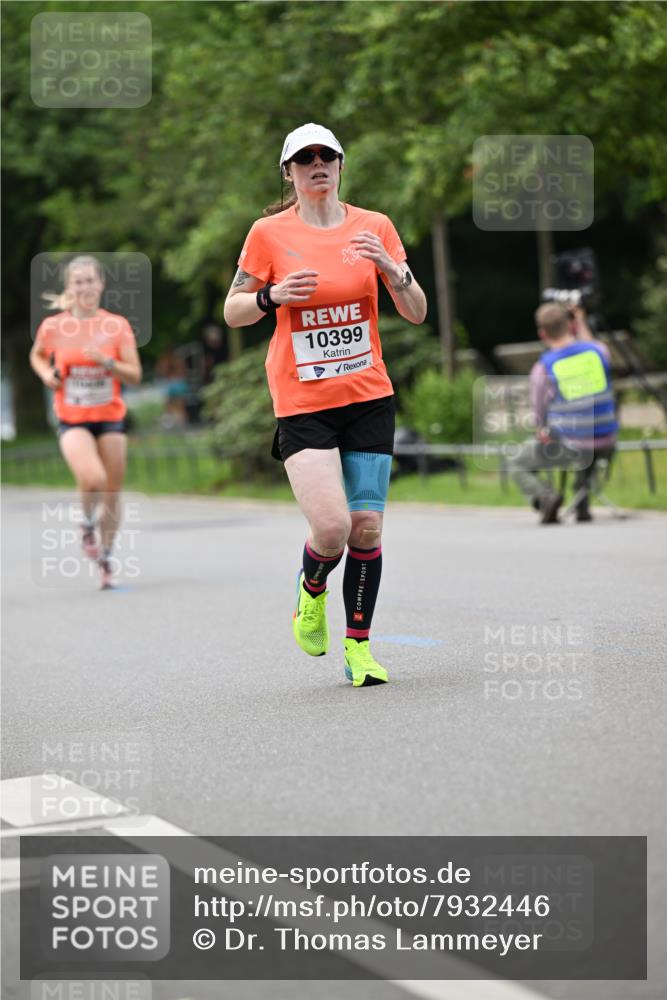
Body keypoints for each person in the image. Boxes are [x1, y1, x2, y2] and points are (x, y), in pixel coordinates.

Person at [224, 123, 427, 687]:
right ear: (288, 172)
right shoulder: (268, 233)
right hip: (303, 401)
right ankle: (311, 588)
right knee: (334, 527)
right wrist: (271, 296)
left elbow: (416, 311)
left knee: (367, 528)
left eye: (327, 156)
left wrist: (393, 270)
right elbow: (233, 310)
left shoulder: (374, 226)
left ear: (340, 165)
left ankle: (358, 648)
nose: (318, 165)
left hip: (368, 397)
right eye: (305, 158)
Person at [30, 255, 142, 588]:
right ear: (69, 287)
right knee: (93, 478)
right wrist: (46, 374)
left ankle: (105, 557)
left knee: (112, 491)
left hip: (110, 416)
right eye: (78, 282)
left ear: (101, 284)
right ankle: (85, 522)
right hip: (72, 417)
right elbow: (37, 355)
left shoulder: (116, 325)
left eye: (90, 280)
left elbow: (135, 375)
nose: (85, 287)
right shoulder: (54, 327)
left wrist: (108, 362)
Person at [509, 302, 618, 524]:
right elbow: (591, 344)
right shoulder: (599, 352)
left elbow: (538, 415)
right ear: (570, 325)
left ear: (542, 333)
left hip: (573, 448)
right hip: (608, 443)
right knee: (584, 437)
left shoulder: (544, 367)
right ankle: (582, 504)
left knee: (517, 462)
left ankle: (545, 497)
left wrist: (542, 431)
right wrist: (581, 321)